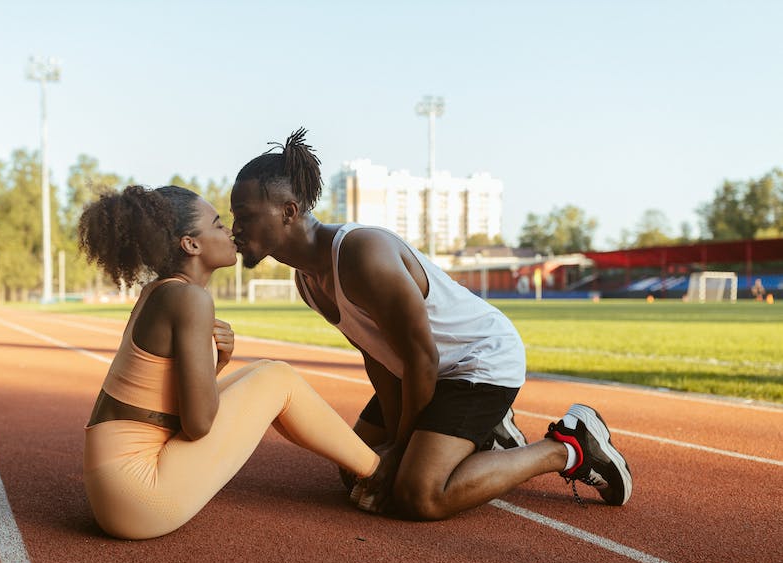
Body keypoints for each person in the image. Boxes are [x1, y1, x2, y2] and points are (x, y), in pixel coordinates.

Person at [230, 129, 632, 519]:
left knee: (418, 495)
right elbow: (379, 356)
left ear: (288, 212)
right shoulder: (308, 281)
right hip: (428, 372)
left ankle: (569, 446)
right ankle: (484, 435)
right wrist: (389, 445)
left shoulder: (361, 254)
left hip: (477, 361)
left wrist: (401, 451)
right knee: (355, 469)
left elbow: (422, 359)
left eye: (244, 215)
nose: (235, 229)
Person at [78, 184, 379, 540]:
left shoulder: (159, 292)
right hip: (138, 495)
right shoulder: (190, 299)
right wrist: (214, 367)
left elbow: (165, 400)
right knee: (278, 379)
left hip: (112, 488)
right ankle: (378, 474)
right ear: (191, 244)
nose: (231, 231)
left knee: (262, 370)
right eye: (218, 224)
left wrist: (218, 364)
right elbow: (198, 424)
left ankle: (364, 467)